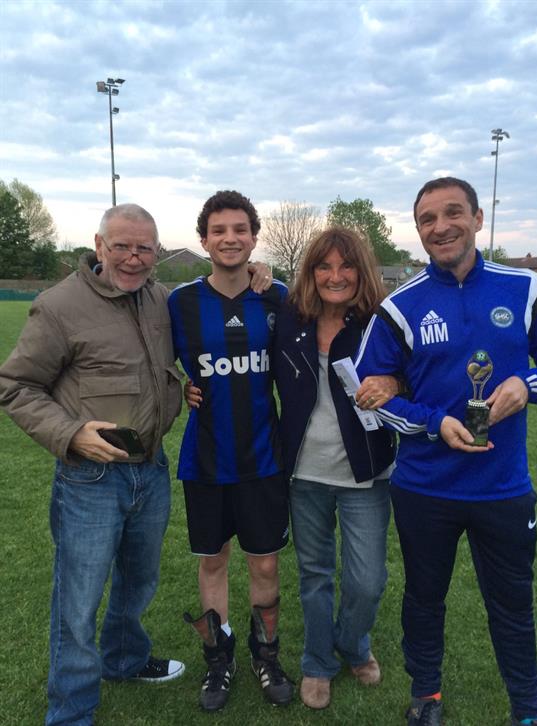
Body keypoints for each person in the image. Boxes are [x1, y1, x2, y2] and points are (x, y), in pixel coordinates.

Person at [355, 177, 537, 726]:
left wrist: (527, 385)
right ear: (418, 232)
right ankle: (426, 695)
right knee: (424, 599)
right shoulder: (400, 306)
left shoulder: (526, 290)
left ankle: (528, 708)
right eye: (427, 220)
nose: (441, 227)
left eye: (452, 213)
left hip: (503, 488)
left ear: (478, 218)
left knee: (512, 605)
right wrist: (434, 422)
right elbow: (368, 393)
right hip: (424, 489)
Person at [0, 204, 186, 725]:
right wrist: (69, 433)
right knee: (78, 601)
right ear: (99, 245)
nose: (133, 257)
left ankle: (124, 660)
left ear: (156, 251)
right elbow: (14, 385)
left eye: (144, 247)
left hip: (150, 469)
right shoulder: (58, 306)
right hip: (91, 480)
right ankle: (72, 710)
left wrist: (260, 275)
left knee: (139, 581)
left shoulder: (160, 300)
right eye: (122, 245)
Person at [168, 190, 294, 711]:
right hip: (206, 459)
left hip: (264, 458)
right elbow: (147, 357)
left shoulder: (277, 296)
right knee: (213, 562)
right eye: (219, 231)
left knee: (264, 566)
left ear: (253, 237)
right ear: (203, 240)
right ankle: (219, 660)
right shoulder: (179, 302)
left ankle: (266, 655)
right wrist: (176, 384)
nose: (230, 238)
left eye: (239, 229)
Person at [273, 226, 398, 709]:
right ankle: (317, 662)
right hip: (305, 474)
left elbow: (414, 375)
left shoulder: (380, 322)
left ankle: (353, 642)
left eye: (346, 266)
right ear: (310, 272)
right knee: (315, 574)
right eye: (324, 266)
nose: (335, 276)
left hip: (366, 474)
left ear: (361, 270)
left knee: (367, 581)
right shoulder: (288, 317)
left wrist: (393, 381)